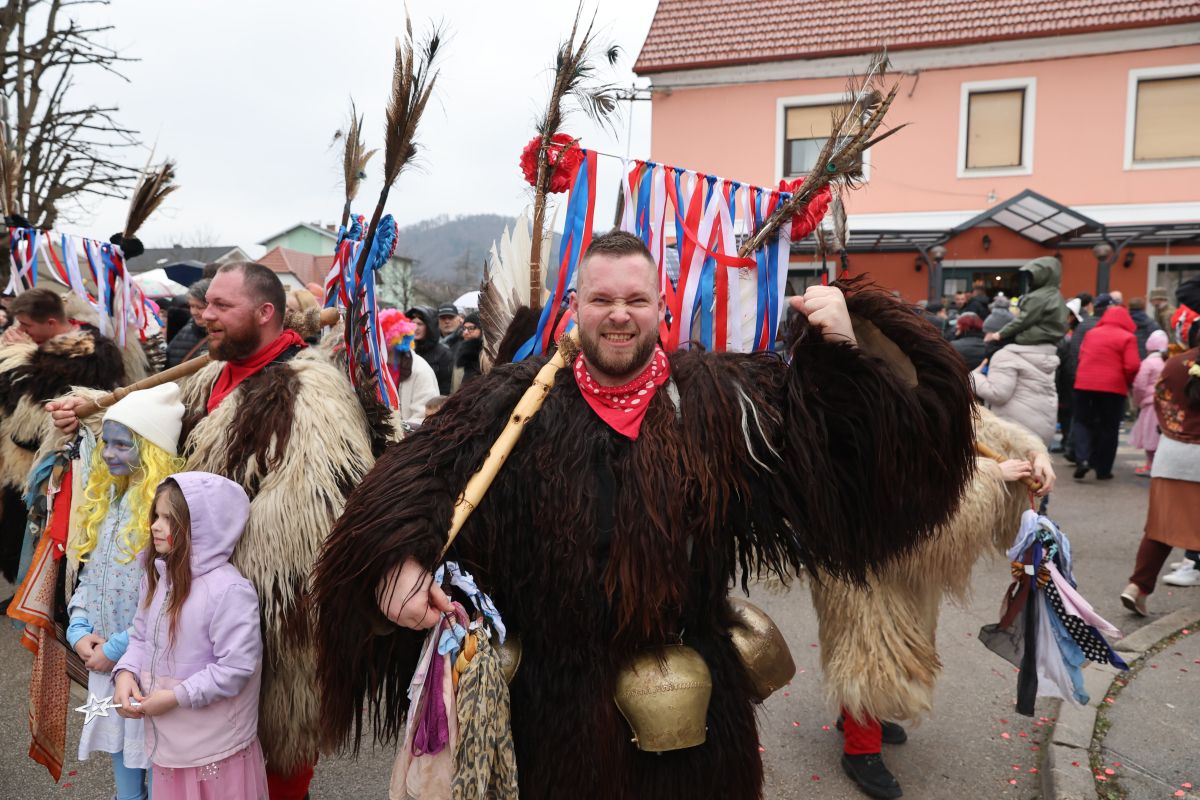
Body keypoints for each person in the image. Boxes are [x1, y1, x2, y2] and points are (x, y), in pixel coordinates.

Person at [311, 231, 977, 800]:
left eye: (635, 300)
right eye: (602, 300)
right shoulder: (514, 401)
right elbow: (417, 477)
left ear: (662, 306)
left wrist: (844, 351)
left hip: (690, 719)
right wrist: (395, 560)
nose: (619, 316)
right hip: (547, 715)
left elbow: (853, 462)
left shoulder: (718, 399)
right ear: (576, 306)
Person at [49, 261, 377, 800]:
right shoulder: (208, 374)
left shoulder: (311, 393)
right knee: (190, 746)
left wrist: (208, 572)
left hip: (267, 614)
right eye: (206, 306)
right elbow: (153, 438)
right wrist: (89, 418)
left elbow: (311, 520)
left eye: (223, 306)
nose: (206, 316)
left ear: (265, 312)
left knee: (271, 756)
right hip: (190, 598)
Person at [813, 407, 1055, 799]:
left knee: (903, 642)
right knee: (868, 649)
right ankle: (860, 749)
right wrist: (989, 475)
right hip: (860, 553)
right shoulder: (857, 396)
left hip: (903, 558)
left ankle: (856, 713)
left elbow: (977, 422)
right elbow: (890, 487)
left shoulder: (922, 381)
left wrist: (1034, 454)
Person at [113, 473, 268, 800]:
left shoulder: (229, 591)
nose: (155, 526)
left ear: (201, 527)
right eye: (156, 515)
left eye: (168, 519)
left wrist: (176, 697)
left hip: (215, 750)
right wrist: (125, 673)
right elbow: (140, 638)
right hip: (170, 747)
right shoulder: (158, 578)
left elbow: (236, 668)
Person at [65, 382, 186, 800]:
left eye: (123, 444)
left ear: (151, 450)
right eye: (106, 443)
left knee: (152, 752)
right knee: (121, 747)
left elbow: (168, 599)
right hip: (104, 662)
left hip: (146, 666)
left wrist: (116, 648)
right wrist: (78, 628)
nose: (109, 453)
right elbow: (90, 575)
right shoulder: (108, 502)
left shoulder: (162, 517)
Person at [0, 288, 125, 585]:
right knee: (18, 537)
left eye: (27, 325)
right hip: (21, 467)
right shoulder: (45, 350)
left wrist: (15, 354)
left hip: (59, 466)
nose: (22, 332)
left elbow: (27, 407)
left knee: (43, 540)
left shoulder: (90, 354)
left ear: (52, 322)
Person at [1120, 321, 1200, 611]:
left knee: (1160, 529)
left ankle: (1138, 586)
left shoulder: (1175, 364)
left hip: (1172, 456)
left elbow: (1159, 402)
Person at [1072, 304, 1140, 480]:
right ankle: (1103, 469)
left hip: (1084, 384)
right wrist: (1128, 381)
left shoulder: (1091, 333)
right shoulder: (1128, 337)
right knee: (1108, 427)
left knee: (1082, 422)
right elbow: (1132, 366)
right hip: (1113, 388)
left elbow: (1081, 356)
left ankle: (1082, 459)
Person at [970, 333, 1060, 445]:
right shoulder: (1041, 354)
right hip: (1042, 425)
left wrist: (973, 377)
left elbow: (997, 394)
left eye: (988, 332)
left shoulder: (1005, 355)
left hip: (1016, 430)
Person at [983, 256, 1068, 351]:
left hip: (1037, 335)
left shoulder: (1038, 296)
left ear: (1041, 275)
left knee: (993, 346)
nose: (1029, 279)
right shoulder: (1055, 294)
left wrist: (999, 334)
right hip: (1052, 336)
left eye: (1031, 275)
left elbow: (1023, 320)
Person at [379, 308, 440, 429]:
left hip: (407, 436)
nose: (379, 343)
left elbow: (424, 415)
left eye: (383, 337)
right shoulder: (376, 366)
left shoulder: (420, 369)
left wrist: (398, 430)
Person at [1130, 330, 1170, 476]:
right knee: (1160, 435)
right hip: (1165, 404)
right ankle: (1160, 465)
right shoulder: (1168, 362)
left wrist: (1138, 401)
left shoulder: (1148, 363)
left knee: (1149, 434)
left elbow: (1139, 385)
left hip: (1149, 404)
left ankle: (1150, 465)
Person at [406, 305, 454, 394]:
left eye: (420, 324)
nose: (415, 327)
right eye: (412, 323)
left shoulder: (444, 354)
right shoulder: (405, 351)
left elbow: (446, 388)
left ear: (429, 326)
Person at [165, 279, 211, 368]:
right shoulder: (186, 330)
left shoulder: (228, 336)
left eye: (200, 307)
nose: (194, 312)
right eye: (192, 306)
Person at [451, 311, 483, 391]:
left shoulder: (488, 359)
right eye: (464, 328)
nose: (465, 333)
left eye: (471, 328)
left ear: (483, 330)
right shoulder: (462, 354)